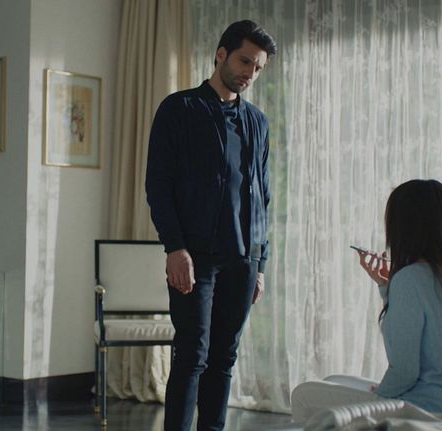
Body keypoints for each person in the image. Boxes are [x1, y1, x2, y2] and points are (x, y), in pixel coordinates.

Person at [145, 20, 277, 431]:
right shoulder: (179, 109)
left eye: (258, 68)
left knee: (224, 358)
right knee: (192, 356)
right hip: (194, 257)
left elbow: (263, 196)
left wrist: (260, 264)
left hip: (243, 260)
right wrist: (174, 247)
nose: (250, 73)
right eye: (244, 62)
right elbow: (158, 185)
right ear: (221, 54)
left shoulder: (257, 122)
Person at [292, 179, 442, 422]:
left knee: (303, 394)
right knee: (334, 380)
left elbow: (405, 371)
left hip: (429, 407)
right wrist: (386, 286)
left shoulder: (409, 279)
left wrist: (383, 394)